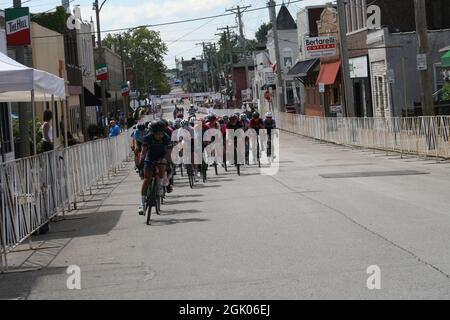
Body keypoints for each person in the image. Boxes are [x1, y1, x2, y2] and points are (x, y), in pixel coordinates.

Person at [138, 121, 172, 215]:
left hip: (162, 156)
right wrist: (141, 161)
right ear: (152, 132)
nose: (159, 136)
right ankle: (142, 204)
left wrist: (168, 163)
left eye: (161, 133)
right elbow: (143, 152)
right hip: (150, 156)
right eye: (156, 134)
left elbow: (168, 153)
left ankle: (160, 184)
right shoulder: (147, 138)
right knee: (146, 179)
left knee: (162, 168)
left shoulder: (166, 138)